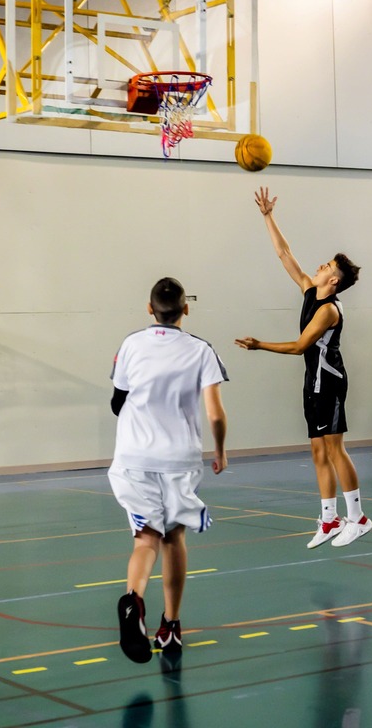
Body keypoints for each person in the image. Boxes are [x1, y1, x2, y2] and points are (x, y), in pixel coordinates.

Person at [235, 187, 372, 549]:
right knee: (317, 451)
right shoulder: (311, 291)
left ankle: (357, 517)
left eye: (327, 266)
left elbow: (299, 347)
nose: (320, 266)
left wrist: (259, 344)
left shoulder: (329, 311)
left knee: (335, 449)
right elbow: (284, 253)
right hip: (313, 383)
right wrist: (267, 215)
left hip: (330, 384)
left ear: (335, 281)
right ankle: (329, 520)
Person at [109, 277, 228, 664]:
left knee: (145, 539)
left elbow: (118, 399)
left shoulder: (131, 344)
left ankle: (133, 600)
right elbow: (215, 413)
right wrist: (221, 451)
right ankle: (171, 626)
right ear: (185, 309)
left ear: (150, 309)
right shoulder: (201, 350)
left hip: (134, 457)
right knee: (174, 539)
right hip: (178, 459)